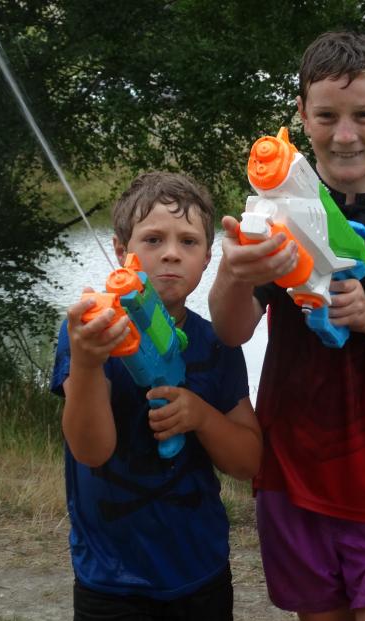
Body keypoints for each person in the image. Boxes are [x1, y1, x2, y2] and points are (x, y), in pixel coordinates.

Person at [208, 31, 365, 620]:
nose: (344, 134)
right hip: (293, 472)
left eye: (363, 115)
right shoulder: (272, 216)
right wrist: (231, 270)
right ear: (302, 115)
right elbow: (230, 332)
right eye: (326, 116)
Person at [51, 171, 262, 619]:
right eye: (152, 239)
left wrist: (201, 416)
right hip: (109, 579)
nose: (170, 253)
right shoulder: (89, 333)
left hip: (199, 572)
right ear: (120, 251)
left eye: (188, 242)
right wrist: (88, 363)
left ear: (208, 258)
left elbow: (249, 462)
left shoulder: (217, 343)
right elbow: (91, 450)